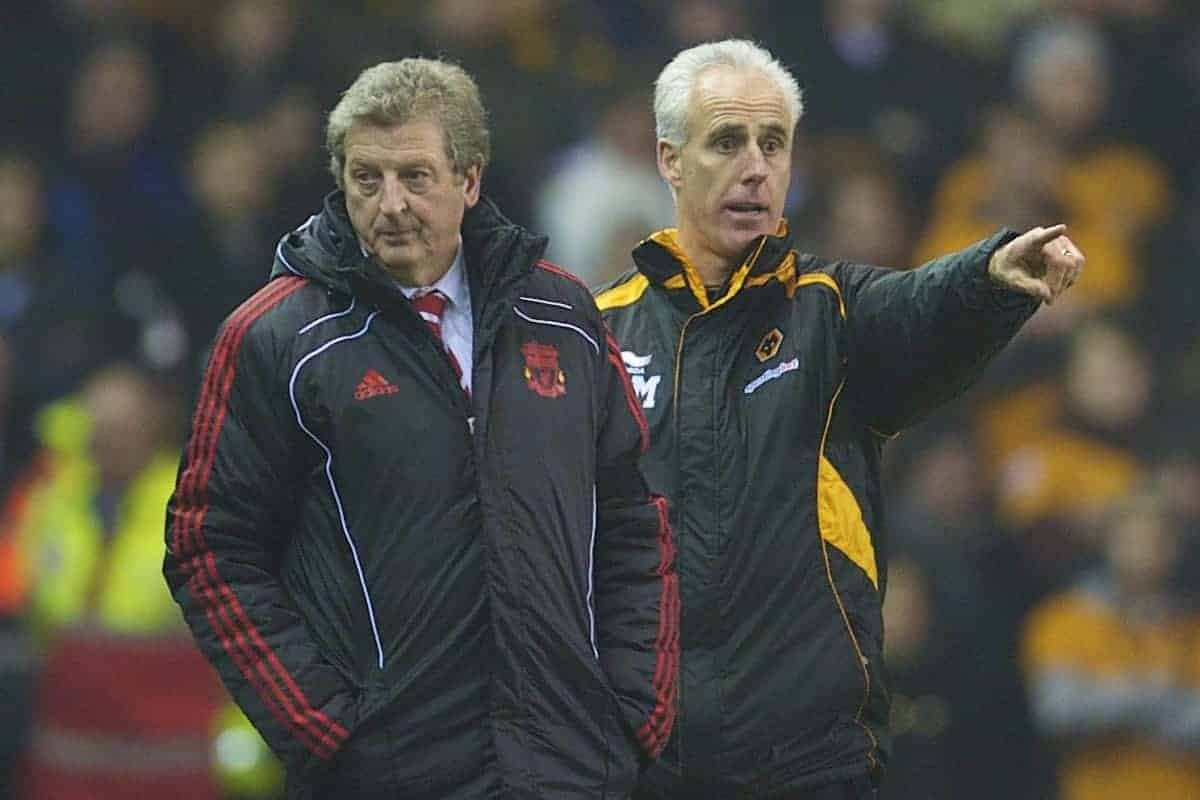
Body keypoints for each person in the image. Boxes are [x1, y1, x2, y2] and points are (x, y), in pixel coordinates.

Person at [162, 57, 677, 799]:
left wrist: (634, 712)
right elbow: (208, 544)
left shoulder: (564, 315)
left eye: (415, 176)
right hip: (384, 772)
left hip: (571, 766)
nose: (391, 204)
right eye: (366, 179)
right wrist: (321, 725)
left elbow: (635, 515)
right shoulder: (276, 339)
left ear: (469, 180)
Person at [596, 39, 1084, 798]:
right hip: (642, 761)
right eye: (727, 141)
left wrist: (988, 276)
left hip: (812, 760)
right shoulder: (597, 334)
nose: (755, 166)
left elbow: (922, 305)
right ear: (670, 159)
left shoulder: (835, 310)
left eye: (774, 143)